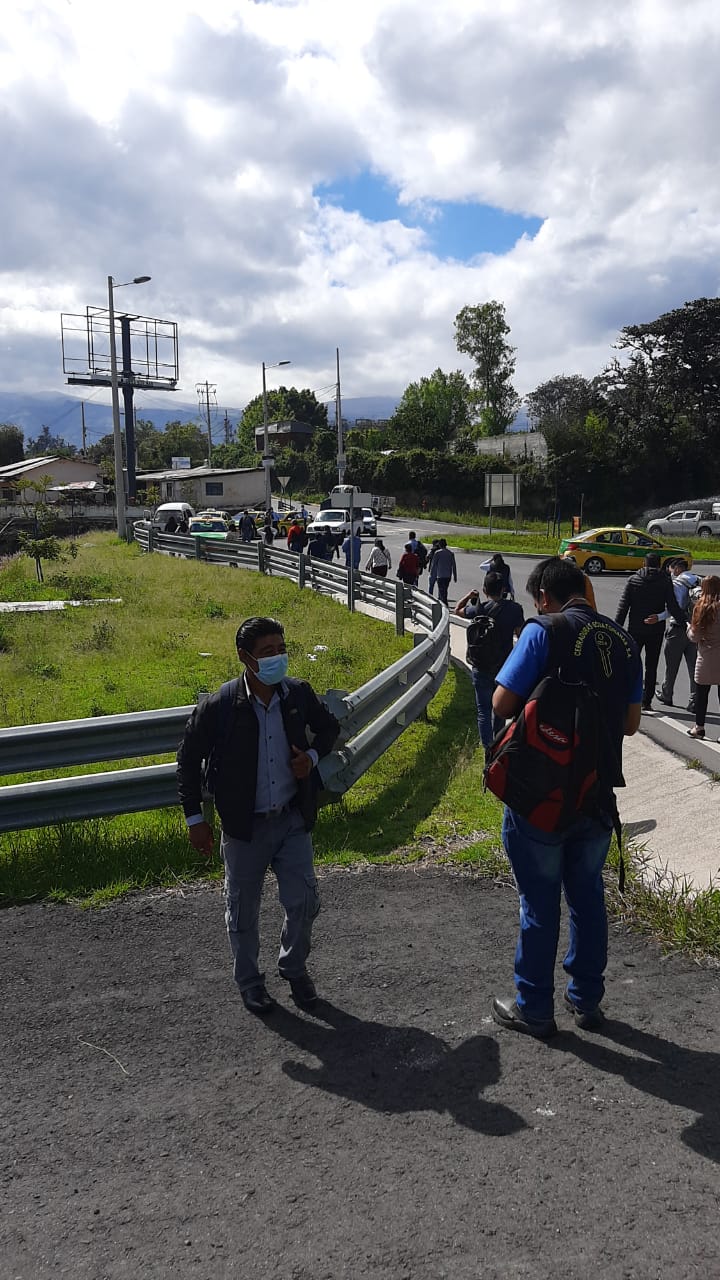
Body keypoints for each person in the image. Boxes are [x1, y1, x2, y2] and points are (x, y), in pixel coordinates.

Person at [490, 557, 642, 1038]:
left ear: (542, 596)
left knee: (538, 903)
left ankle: (534, 1008)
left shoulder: (544, 630)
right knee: (587, 898)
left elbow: (501, 703)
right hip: (597, 793)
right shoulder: (624, 640)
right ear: (585, 588)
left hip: (541, 793)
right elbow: (632, 723)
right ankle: (588, 1001)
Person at [177, 616, 340, 1015]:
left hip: (290, 819)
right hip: (243, 827)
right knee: (242, 910)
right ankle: (250, 983)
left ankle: (293, 967)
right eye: (268, 653)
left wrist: (313, 758)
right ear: (245, 658)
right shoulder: (220, 706)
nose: (278, 659)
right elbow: (187, 760)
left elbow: (330, 728)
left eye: (282, 650)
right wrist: (195, 820)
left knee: (305, 901)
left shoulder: (297, 694)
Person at [455, 572, 524, 748]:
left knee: (483, 711)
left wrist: (469, 596)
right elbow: (521, 636)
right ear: (504, 590)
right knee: (499, 709)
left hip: (481, 665)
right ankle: (499, 743)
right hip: (504, 667)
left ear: (485, 590)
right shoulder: (515, 609)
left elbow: (458, 610)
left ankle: (488, 749)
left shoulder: (479, 609)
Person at [615, 552, 684, 710]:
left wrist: (616, 628)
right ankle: (646, 701)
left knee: (631, 663)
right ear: (659, 565)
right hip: (655, 631)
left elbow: (623, 607)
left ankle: (627, 697)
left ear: (644, 563)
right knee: (651, 666)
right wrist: (685, 622)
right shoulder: (665, 582)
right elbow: (673, 606)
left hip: (635, 629)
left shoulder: (633, 580)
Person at [653, 558, 701, 711]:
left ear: (677, 569)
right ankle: (695, 700)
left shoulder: (678, 583)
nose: (671, 573)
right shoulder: (699, 581)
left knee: (671, 665)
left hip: (678, 629)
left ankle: (667, 694)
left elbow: (675, 607)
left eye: (671, 569)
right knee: (694, 667)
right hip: (695, 629)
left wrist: (659, 617)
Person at [686, 575, 720, 740]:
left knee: (702, 694)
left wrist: (688, 629)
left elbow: (694, 636)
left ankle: (699, 727)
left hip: (706, 656)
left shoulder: (702, 607)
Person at [431, 539, 457, 604]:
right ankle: (444, 602)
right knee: (445, 590)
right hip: (448, 575)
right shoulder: (450, 553)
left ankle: (444, 603)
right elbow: (453, 565)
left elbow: (434, 565)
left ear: (440, 545)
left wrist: (432, 574)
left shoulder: (437, 553)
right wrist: (455, 576)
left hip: (440, 575)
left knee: (441, 590)